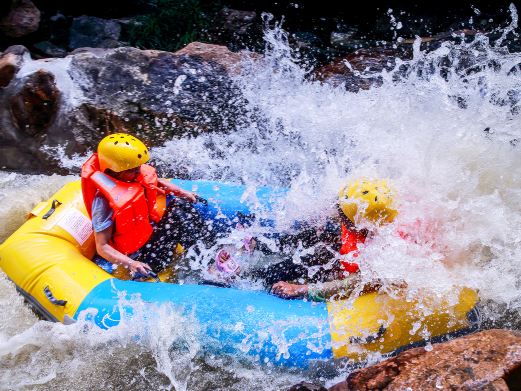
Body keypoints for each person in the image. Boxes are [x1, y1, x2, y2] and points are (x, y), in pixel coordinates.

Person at [81, 133, 204, 279]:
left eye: (138, 167)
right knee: (178, 214)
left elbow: (153, 182)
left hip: (150, 236)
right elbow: (102, 247)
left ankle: (207, 250)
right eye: (131, 170)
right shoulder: (102, 202)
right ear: (112, 171)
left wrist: (180, 191)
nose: (138, 172)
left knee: (180, 204)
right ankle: (207, 264)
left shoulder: (131, 176)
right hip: (141, 256)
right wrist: (132, 264)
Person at [270, 179, 399, 301]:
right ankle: (256, 246)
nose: (339, 215)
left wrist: (301, 289)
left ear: (358, 226)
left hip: (357, 275)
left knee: (322, 252)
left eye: (342, 216)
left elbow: (360, 282)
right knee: (315, 238)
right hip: (345, 256)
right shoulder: (376, 203)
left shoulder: (390, 248)